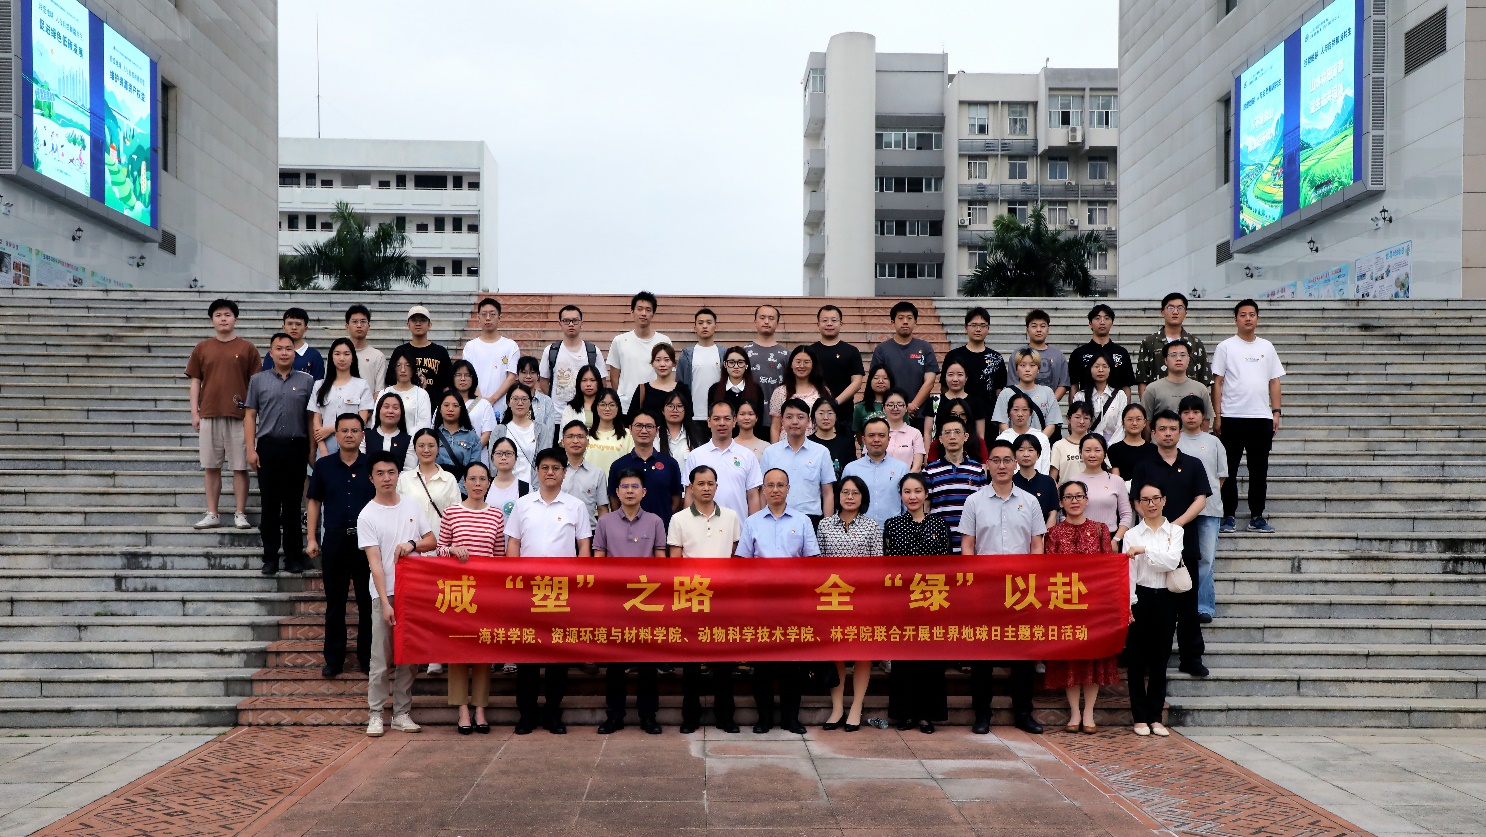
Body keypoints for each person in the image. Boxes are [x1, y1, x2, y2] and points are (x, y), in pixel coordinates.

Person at [959, 439, 1047, 735]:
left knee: (1022, 653)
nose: (1001, 466)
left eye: (1007, 460)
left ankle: (1023, 712)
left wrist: (1032, 581)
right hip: (986, 587)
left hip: (1021, 589)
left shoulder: (1030, 501)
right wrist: (973, 582)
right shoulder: (974, 501)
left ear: (1015, 464)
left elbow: (1037, 544)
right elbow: (967, 545)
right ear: (987, 465)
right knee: (982, 654)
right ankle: (982, 713)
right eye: (995, 460)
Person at [505, 447, 593, 735]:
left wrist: (580, 584)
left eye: (556, 468)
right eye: (545, 467)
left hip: (562, 591)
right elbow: (514, 544)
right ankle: (527, 713)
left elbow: (583, 546)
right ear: (537, 472)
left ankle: (554, 712)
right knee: (527, 654)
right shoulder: (523, 505)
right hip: (529, 590)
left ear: (564, 472)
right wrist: (514, 582)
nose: (550, 472)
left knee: (558, 654)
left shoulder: (575, 506)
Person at [1128, 410, 1212, 678]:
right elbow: (1136, 501)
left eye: (1172, 429)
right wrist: (1155, 524)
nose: (1167, 433)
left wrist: (1174, 526)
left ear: (1180, 432)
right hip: (1148, 543)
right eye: (1162, 429)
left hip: (1184, 542)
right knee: (1150, 607)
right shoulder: (1144, 465)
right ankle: (1149, 660)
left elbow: (1201, 499)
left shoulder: (1193, 464)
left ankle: (1191, 657)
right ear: (1153, 433)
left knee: (1187, 604)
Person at [359, 451, 435, 737]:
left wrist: (412, 544)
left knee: (409, 657)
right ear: (371, 478)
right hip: (385, 593)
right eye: (380, 473)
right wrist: (384, 602)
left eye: (391, 472)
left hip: (413, 591)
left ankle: (402, 713)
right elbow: (375, 563)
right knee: (380, 658)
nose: (386, 478)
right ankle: (375, 714)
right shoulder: (367, 514)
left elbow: (431, 540)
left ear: (398, 475)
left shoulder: (412, 504)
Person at [737, 468, 819, 734]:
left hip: (792, 602)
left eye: (780, 485)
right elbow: (743, 562)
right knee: (762, 664)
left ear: (788, 489)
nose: (775, 490)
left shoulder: (803, 521)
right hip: (761, 602)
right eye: (770, 485)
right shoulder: (752, 522)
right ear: (763, 489)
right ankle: (764, 718)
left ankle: (790, 718)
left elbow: (812, 561)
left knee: (791, 664)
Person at [1043, 481, 1123, 734]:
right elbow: (1048, 571)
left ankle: (1088, 712)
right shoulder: (1053, 533)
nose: (1074, 501)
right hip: (1064, 605)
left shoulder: (1100, 530)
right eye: (1068, 497)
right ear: (1061, 502)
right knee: (1070, 660)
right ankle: (1074, 713)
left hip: (1094, 607)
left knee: (1092, 660)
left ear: (1087, 500)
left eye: (1079, 496)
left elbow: (1109, 569)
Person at [593, 469, 668, 735]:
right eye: (624, 486)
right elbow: (599, 560)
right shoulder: (605, 522)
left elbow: (661, 561)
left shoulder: (656, 521)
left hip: (647, 601)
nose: (629, 491)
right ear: (617, 492)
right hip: (615, 601)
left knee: (647, 663)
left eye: (635, 486)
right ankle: (614, 716)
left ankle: (648, 716)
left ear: (643, 492)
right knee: (615, 663)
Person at [670, 465, 742, 734]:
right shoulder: (678, 519)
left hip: (723, 599)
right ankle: (690, 716)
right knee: (691, 663)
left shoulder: (731, 517)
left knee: (723, 662)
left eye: (711, 483)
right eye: (700, 483)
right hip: (692, 596)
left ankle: (725, 716)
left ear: (717, 487)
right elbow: (675, 562)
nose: (706, 488)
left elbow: (735, 556)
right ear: (691, 487)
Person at [433, 461, 504, 735]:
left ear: (489, 483)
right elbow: (439, 550)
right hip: (458, 592)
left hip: (486, 593)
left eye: (482, 479)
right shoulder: (452, 512)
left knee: (484, 650)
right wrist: (453, 550)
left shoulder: (496, 515)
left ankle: (480, 708)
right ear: (464, 482)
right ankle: (462, 708)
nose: (477, 484)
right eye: (472, 479)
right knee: (459, 649)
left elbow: (499, 556)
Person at [305, 414, 376, 679]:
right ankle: (334, 660)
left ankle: (367, 658)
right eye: (344, 430)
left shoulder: (372, 466)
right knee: (335, 603)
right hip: (334, 541)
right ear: (335, 435)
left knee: (367, 603)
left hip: (366, 544)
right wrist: (311, 538)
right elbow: (314, 502)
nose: (349, 435)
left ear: (362, 435)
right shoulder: (324, 466)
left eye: (354, 430)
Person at [884, 472, 954, 734]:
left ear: (926, 494)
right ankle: (905, 714)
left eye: (917, 491)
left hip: (933, 600)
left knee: (930, 660)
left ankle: (927, 715)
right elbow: (888, 565)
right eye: (907, 492)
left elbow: (947, 564)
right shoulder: (892, 525)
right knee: (904, 660)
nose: (912, 497)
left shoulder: (939, 524)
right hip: (903, 602)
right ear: (901, 496)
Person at [1212, 298, 1285, 534]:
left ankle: (1257, 516)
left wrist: (1276, 412)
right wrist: (1217, 415)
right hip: (1231, 416)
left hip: (1260, 418)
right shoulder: (1226, 347)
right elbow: (1217, 382)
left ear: (1257, 318)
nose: (1247, 318)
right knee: (1229, 470)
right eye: (1243, 314)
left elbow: (1274, 381)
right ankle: (1228, 516)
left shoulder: (1267, 347)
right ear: (1235, 319)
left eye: (1252, 314)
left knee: (1259, 470)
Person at [186, 299, 259, 530]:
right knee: (211, 466)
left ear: (235, 319)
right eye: (218, 315)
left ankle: (240, 513)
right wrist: (195, 412)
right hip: (209, 413)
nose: (223, 319)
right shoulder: (202, 348)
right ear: (212, 320)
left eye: (227, 314)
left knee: (240, 466)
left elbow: (256, 383)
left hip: (240, 416)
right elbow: (195, 381)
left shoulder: (247, 348)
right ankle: (212, 513)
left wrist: (253, 414)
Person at [245, 333, 314, 575]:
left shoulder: (307, 381)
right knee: (270, 505)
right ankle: (270, 557)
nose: (284, 353)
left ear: (294, 353)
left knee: (293, 504)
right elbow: (250, 415)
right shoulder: (258, 380)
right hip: (269, 447)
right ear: (271, 352)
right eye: (279, 348)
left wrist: (311, 450)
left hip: (297, 447)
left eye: (288, 349)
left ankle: (293, 556)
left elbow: (311, 418)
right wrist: (250, 449)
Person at [815, 476, 880, 731]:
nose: (849, 497)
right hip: (833, 597)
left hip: (863, 599)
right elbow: (819, 563)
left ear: (863, 497)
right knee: (836, 653)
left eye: (855, 493)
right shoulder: (824, 525)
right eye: (845, 492)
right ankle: (837, 708)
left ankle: (856, 707)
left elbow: (877, 564)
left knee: (863, 653)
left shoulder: (872, 526)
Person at [1124, 482, 1185, 737]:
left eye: (1155, 498)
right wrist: (1129, 602)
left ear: (1164, 500)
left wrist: (1145, 550)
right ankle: (1139, 717)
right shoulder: (1132, 535)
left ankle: (1156, 717)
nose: (1151, 504)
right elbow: (1129, 571)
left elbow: (1172, 561)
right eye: (1145, 500)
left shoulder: (1175, 531)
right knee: (1136, 659)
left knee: (1161, 658)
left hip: (1167, 597)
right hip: (1140, 596)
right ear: (1138, 504)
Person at [1178, 394, 1228, 624]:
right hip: (1180, 510)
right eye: (1186, 412)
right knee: (1179, 557)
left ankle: (1203, 605)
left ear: (1203, 416)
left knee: (1206, 559)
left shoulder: (1214, 442)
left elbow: (1221, 477)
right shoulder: (1175, 439)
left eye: (1196, 412)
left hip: (1209, 509)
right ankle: (1181, 605)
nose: (1191, 416)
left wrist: (1204, 497)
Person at [683, 401, 763, 520]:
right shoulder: (695, 456)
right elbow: (690, 495)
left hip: (738, 528)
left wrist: (754, 528)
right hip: (702, 527)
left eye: (727, 418)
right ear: (709, 422)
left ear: (734, 421)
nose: (722, 423)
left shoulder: (747, 455)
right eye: (716, 419)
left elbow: (753, 496)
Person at [760, 399, 836, 525]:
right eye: (789, 417)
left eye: (800, 417)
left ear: (808, 421)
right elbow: (763, 491)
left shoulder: (821, 452)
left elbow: (827, 492)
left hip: (811, 519)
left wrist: (827, 526)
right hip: (776, 518)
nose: (795, 422)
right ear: (782, 421)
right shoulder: (770, 452)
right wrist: (763, 521)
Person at [923, 415, 988, 554]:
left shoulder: (977, 470)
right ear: (940, 439)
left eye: (957, 432)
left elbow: (984, 507)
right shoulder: (930, 471)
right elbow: (926, 508)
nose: (952, 437)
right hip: (939, 543)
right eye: (947, 433)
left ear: (966, 436)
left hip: (970, 544)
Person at [608, 410, 683, 527]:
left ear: (656, 430)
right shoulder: (618, 465)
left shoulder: (670, 464)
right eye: (639, 426)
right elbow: (614, 501)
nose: (644, 430)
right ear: (630, 429)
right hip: (627, 530)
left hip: (662, 530)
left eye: (649, 426)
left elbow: (676, 500)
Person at [871, 301, 939, 428]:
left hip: (918, 414)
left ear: (915, 321)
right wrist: (897, 406)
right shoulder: (882, 349)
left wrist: (912, 406)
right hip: (889, 414)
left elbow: (930, 381)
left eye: (909, 318)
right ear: (893, 322)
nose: (905, 322)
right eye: (901, 318)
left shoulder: (925, 348)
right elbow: (878, 381)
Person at [943, 306, 1007, 428]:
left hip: (989, 417)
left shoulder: (996, 358)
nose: (978, 329)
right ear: (966, 328)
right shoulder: (953, 356)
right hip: (959, 415)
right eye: (973, 325)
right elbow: (945, 387)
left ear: (988, 329)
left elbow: (999, 391)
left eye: (983, 325)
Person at [309, 338, 374, 458]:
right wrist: (322, 449)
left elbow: (362, 420)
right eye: (337, 354)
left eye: (346, 354)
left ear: (353, 358)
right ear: (331, 357)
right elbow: (316, 421)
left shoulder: (362, 385)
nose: (342, 358)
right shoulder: (319, 385)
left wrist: (331, 429)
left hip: (353, 446)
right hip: (326, 446)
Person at [1136, 292, 1211, 395]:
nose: (1175, 312)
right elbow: (1142, 380)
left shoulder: (1196, 343)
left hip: (1190, 401)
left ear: (1186, 313)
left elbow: (1203, 380)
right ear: (1162, 312)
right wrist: (1146, 404)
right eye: (1170, 308)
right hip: (1159, 400)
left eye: (1180, 308)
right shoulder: (1149, 342)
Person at [608, 291, 670, 411]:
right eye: (639, 309)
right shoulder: (620, 341)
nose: (643, 313)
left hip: (656, 404)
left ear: (653, 314)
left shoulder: (664, 341)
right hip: (626, 406)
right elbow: (614, 376)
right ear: (632, 312)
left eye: (648, 310)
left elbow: (668, 374)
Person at [841, 416, 908, 524]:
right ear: (863, 439)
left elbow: (906, 505)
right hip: (858, 531)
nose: (876, 440)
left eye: (881, 435)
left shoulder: (901, 468)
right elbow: (842, 504)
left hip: (893, 530)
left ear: (888, 439)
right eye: (871, 435)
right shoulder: (851, 469)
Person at [398, 428, 462, 539]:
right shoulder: (404, 479)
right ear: (415, 448)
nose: (426, 450)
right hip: (411, 544)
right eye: (421, 446)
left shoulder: (449, 479)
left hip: (441, 543)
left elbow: (457, 517)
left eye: (431, 446)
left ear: (438, 448)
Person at [461, 297, 519, 417]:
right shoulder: (470, 347)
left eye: (492, 314)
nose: (488, 318)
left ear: (499, 318)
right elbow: (467, 375)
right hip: (474, 405)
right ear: (478, 318)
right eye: (484, 314)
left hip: (502, 408)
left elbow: (511, 377)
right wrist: (481, 401)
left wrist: (492, 399)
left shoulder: (510, 346)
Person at [539, 304, 607, 404]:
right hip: (558, 412)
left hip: (585, 411)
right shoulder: (550, 351)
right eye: (566, 321)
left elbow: (602, 382)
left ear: (581, 323)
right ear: (560, 324)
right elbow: (543, 382)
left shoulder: (593, 351)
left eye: (575, 320)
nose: (571, 324)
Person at [1072, 433, 1132, 547]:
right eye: (1087, 450)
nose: (1092, 455)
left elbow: (1126, 514)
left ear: (1104, 453)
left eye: (1097, 450)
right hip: (1079, 540)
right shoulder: (1073, 481)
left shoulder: (1116, 481)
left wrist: (1116, 540)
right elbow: (1065, 515)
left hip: (1110, 540)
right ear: (1080, 453)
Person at [1069, 303, 1136, 401]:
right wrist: (1074, 409)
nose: (1102, 322)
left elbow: (1126, 386)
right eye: (1097, 318)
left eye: (1106, 318)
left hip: (1115, 405)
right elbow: (1074, 386)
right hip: (1086, 405)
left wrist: (1126, 409)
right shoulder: (1079, 353)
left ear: (1112, 323)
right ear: (1090, 324)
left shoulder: (1121, 353)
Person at [992, 349, 1062, 439]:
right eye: (1022, 365)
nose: (1027, 369)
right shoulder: (1006, 393)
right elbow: (1002, 423)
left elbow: (1052, 424)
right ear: (1016, 369)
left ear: (1038, 369)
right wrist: (1016, 442)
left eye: (1032, 365)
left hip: (1039, 444)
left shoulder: (1047, 392)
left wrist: (1038, 442)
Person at [489, 384, 551, 484]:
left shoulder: (541, 430)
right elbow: (493, 463)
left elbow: (545, 461)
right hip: (505, 486)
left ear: (530, 402)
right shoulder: (499, 430)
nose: (520, 403)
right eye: (515, 399)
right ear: (508, 402)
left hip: (533, 487)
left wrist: (536, 487)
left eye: (524, 399)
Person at [1140, 340, 1213, 424]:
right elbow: (1146, 421)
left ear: (1189, 359)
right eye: (1173, 355)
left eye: (1183, 355)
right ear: (1166, 360)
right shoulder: (1152, 389)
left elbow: (1206, 420)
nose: (1178, 359)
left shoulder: (1200, 389)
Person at [743, 304, 790, 433]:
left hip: (776, 417)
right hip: (748, 416)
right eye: (762, 317)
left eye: (771, 318)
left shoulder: (786, 355)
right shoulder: (744, 352)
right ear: (755, 322)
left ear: (777, 323)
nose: (766, 321)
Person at [768, 346, 829, 441]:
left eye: (806, 362)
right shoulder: (780, 392)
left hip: (816, 443)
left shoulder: (822, 391)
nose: (802, 365)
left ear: (813, 365)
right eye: (798, 361)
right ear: (791, 364)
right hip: (786, 443)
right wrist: (775, 448)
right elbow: (775, 427)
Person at [809, 304, 865, 405]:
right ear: (818, 325)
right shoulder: (810, 351)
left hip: (844, 410)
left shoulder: (851, 351)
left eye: (834, 320)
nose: (829, 324)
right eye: (825, 320)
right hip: (814, 408)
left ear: (841, 324)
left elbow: (857, 382)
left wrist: (835, 402)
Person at [394, 305, 453, 397]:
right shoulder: (400, 351)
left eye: (423, 320)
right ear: (408, 325)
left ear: (429, 325)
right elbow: (392, 381)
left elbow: (447, 385)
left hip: (434, 404)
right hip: (406, 403)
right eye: (414, 320)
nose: (418, 323)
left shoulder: (440, 352)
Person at [677, 308, 723, 425]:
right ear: (695, 328)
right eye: (700, 323)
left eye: (709, 322)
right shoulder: (686, 354)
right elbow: (680, 384)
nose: (705, 326)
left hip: (719, 415)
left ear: (716, 327)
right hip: (694, 415)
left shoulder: (724, 353)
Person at [560, 419, 610, 524]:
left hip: (589, 529)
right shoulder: (554, 472)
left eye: (580, 436)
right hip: (559, 529)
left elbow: (602, 508)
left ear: (587, 442)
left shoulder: (597, 473)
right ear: (563, 442)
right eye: (570, 436)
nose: (575, 441)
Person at [1072, 352, 1128, 443]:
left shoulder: (1120, 395)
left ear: (1110, 369)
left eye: (1105, 366)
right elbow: (1077, 423)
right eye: (1096, 366)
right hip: (1087, 444)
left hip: (1114, 444)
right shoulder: (1080, 396)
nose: (1100, 370)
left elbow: (1121, 426)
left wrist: (1111, 446)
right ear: (1090, 369)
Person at [627, 343, 691, 423]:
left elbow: (688, 418)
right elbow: (632, 418)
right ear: (652, 363)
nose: (662, 364)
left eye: (667, 360)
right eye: (658, 360)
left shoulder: (683, 390)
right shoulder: (643, 389)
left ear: (673, 363)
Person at [261, 306, 325, 380]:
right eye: (290, 323)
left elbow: (318, 383)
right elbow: (265, 380)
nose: (294, 327)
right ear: (284, 327)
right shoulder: (272, 354)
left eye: (298, 324)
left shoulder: (314, 356)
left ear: (305, 328)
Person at [583, 388, 635, 479]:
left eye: (612, 405)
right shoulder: (585, 434)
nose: (607, 409)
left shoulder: (628, 434)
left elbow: (632, 463)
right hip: (589, 484)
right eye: (602, 404)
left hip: (618, 484)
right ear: (596, 407)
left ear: (617, 407)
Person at [433, 390, 482, 485]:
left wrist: (458, 490)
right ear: (440, 409)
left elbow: (474, 469)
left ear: (461, 409)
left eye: (455, 406)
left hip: (462, 488)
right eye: (446, 405)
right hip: (435, 486)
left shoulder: (473, 438)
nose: (450, 409)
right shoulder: (432, 436)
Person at [709, 346, 766, 427]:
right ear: (725, 364)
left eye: (740, 362)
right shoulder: (715, 389)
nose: (736, 366)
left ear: (746, 365)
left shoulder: (756, 389)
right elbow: (712, 420)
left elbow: (759, 421)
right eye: (731, 362)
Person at [926, 359, 981, 442]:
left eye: (960, 374)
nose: (955, 379)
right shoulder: (934, 401)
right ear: (945, 377)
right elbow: (928, 433)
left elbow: (980, 435)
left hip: (970, 448)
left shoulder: (976, 403)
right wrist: (928, 450)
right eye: (950, 375)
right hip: (940, 448)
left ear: (966, 377)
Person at [1020, 309, 1069, 401]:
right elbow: (1013, 382)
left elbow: (1063, 383)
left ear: (1048, 329)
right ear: (1027, 330)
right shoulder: (1018, 354)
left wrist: (1050, 403)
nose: (1038, 330)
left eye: (1042, 326)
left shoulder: (1058, 355)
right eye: (1034, 326)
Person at [378, 350, 433, 432]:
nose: (403, 370)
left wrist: (407, 438)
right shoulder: (384, 393)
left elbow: (425, 423)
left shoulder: (421, 394)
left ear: (413, 369)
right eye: (398, 365)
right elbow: (376, 421)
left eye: (407, 365)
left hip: (413, 439)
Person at [1010, 434, 1058, 527]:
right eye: (1021, 450)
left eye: (1031, 450)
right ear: (1014, 455)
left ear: (1038, 454)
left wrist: (1045, 534)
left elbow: (1053, 513)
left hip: (1044, 532)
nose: (1026, 454)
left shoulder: (1048, 481)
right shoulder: (1010, 482)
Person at [998, 396, 1051, 477]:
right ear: (1009, 413)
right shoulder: (1003, 439)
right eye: (1015, 409)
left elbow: (1045, 467)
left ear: (1030, 413)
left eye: (1025, 410)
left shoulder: (1041, 438)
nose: (1020, 414)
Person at [450, 360, 496, 452]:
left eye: (467, 375)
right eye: (458, 375)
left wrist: (471, 452)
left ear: (473, 378)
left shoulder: (484, 405)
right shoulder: (445, 403)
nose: (463, 379)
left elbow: (487, 433)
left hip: (476, 457)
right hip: (448, 457)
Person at [515, 356, 561, 444]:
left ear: (538, 375)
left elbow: (549, 434)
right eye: (524, 372)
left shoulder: (547, 402)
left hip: (540, 449)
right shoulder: (510, 400)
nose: (528, 376)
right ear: (517, 375)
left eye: (532, 373)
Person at [809, 398, 857, 481]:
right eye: (821, 413)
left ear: (836, 416)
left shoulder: (846, 444)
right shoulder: (807, 443)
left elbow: (852, 472)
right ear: (814, 416)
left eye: (830, 413)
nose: (825, 418)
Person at [366, 392, 416, 471]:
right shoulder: (365, 437)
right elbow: (362, 467)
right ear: (378, 410)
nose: (390, 411)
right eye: (386, 407)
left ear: (401, 412)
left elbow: (408, 470)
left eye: (395, 408)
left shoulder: (409, 441)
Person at [1049, 401, 1096, 484]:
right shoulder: (1059, 445)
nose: (1082, 421)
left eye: (1086, 418)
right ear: (1069, 419)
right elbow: (1052, 478)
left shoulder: (1096, 443)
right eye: (1077, 417)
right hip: (1067, 491)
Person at [345, 304, 387, 397]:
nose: (359, 325)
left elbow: (379, 390)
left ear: (369, 326)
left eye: (363, 322)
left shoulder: (378, 356)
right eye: (354, 322)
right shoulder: (338, 355)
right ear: (347, 326)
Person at [486, 437, 531, 524]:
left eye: (508, 453)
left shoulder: (525, 488)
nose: (503, 457)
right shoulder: (485, 485)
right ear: (492, 457)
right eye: (499, 453)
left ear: (516, 458)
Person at [1108, 404, 1157, 480]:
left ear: (1145, 423)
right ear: (1123, 423)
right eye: (1130, 419)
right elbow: (1115, 479)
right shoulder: (1114, 449)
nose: (1134, 423)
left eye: (1138, 419)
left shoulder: (1154, 449)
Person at [881, 389, 926, 470]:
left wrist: (907, 478)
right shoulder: (875, 432)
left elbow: (917, 466)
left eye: (900, 404)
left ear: (906, 408)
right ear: (883, 408)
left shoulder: (915, 433)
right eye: (890, 405)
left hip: (907, 477)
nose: (895, 408)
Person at [660, 390, 705, 463]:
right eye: (670, 406)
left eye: (679, 406)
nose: (675, 410)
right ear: (663, 410)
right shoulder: (654, 435)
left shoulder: (695, 437)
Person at [851, 362, 894, 437]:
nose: (880, 381)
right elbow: (859, 434)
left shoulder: (899, 406)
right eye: (876, 378)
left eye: (885, 378)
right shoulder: (860, 407)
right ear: (870, 381)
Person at [560, 364, 604, 429]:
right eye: (584, 380)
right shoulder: (570, 408)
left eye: (592, 380)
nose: (588, 384)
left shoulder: (606, 406)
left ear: (598, 382)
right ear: (579, 383)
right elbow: (564, 433)